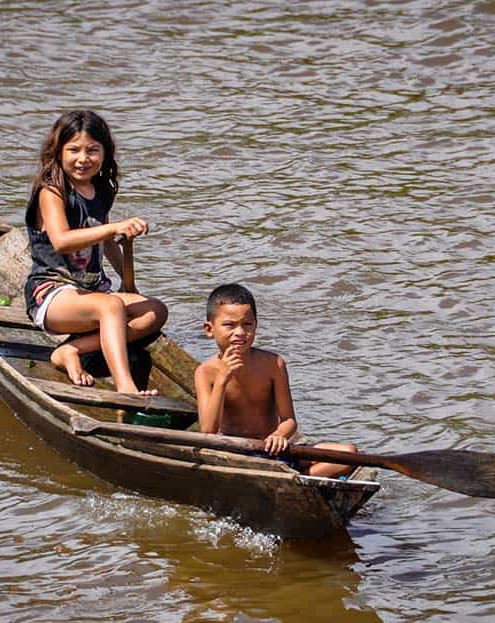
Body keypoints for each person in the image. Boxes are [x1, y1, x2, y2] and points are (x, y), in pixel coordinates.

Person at [23, 110, 167, 394]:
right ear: (58, 152)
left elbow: (109, 242)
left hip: (92, 292)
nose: (82, 158)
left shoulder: (101, 190)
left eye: (92, 150)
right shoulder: (51, 192)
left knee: (155, 311)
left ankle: (70, 350)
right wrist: (112, 229)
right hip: (52, 293)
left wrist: (128, 281)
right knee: (110, 306)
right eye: (73, 150)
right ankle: (126, 387)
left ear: (105, 153)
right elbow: (62, 241)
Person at [194, 283, 356, 478]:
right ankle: (294, 478)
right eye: (229, 325)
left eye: (247, 324)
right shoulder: (205, 372)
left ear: (256, 325)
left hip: (272, 448)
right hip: (236, 454)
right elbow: (208, 432)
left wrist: (279, 435)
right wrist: (222, 380)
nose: (240, 333)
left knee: (349, 453)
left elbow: (289, 420)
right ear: (209, 329)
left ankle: (301, 478)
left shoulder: (273, 364)